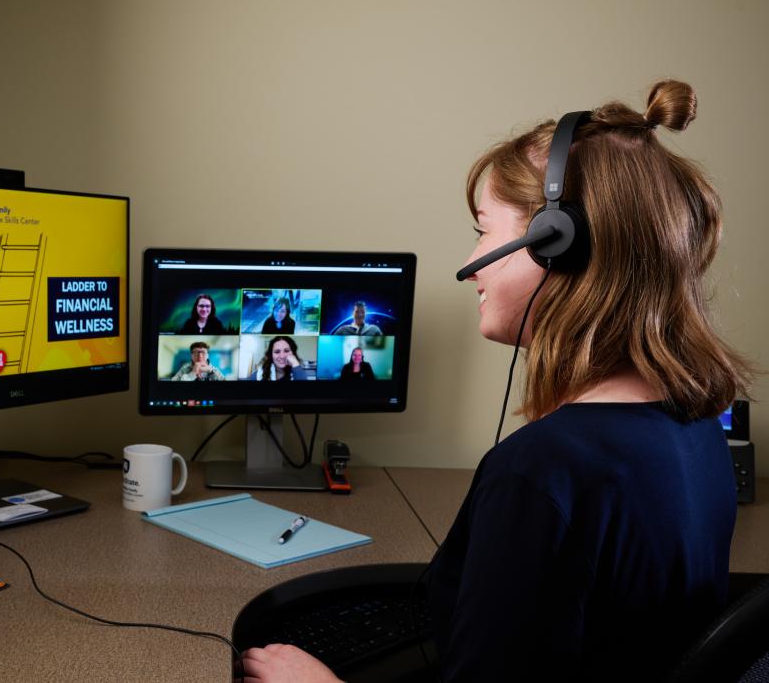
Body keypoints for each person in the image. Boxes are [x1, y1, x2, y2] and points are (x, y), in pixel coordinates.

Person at [240, 80, 751, 682]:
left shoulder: (542, 471)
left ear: (553, 244)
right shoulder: (695, 424)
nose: (473, 262)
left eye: (484, 230)